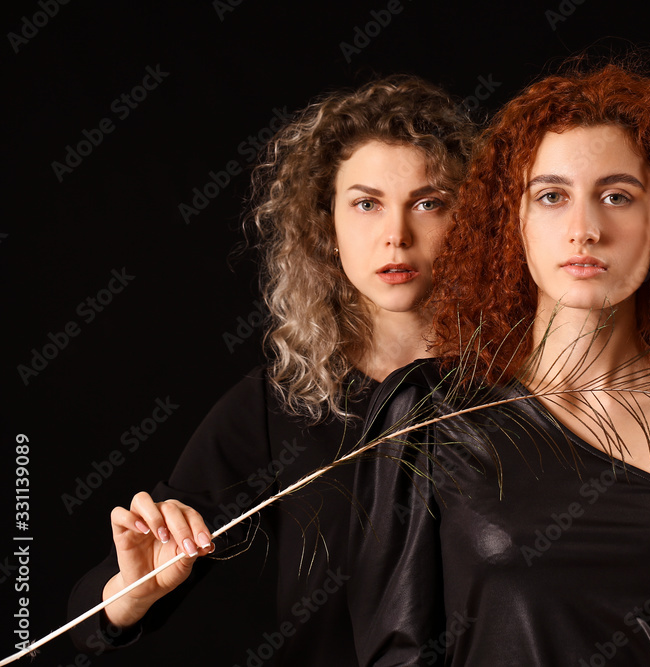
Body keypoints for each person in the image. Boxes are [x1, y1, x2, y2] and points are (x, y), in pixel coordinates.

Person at [363, 61, 650, 667]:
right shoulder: (432, 411)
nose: (584, 229)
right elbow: (392, 654)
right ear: (514, 220)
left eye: (616, 196)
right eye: (552, 196)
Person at [67, 75, 475, 666]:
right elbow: (91, 617)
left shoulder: (528, 387)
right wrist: (134, 592)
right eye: (366, 204)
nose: (396, 235)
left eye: (429, 203)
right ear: (326, 228)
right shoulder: (278, 405)